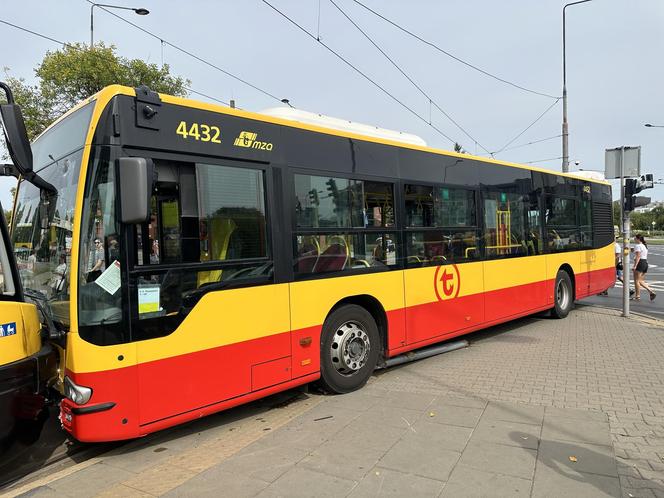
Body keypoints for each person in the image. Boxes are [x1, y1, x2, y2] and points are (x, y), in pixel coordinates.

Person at [632, 234, 655, 301]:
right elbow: (637, 252)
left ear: (638, 239)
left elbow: (638, 256)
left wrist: (635, 266)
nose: (634, 239)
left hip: (640, 263)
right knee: (640, 280)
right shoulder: (644, 246)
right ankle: (650, 291)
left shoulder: (638, 246)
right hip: (645, 263)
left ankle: (638, 296)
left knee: (636, 281)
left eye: (635, 238)